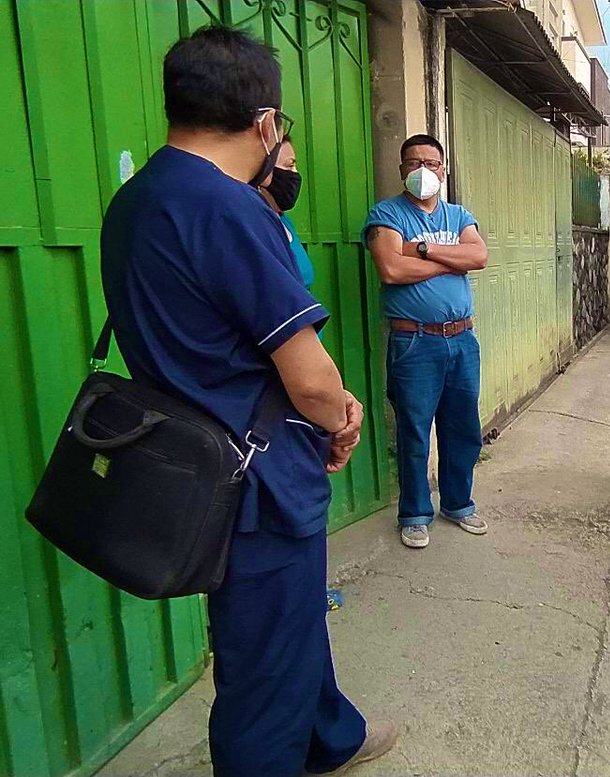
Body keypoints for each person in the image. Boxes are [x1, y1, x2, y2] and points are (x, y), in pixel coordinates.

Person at [99, 26, 395, 776]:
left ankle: (330, 736)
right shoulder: (229, 208)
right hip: (255, 477)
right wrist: (343, 419)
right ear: (266, 123)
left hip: (196, 459)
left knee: (289, 624)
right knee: (263, 664)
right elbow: (311, 378)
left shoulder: (136, 201)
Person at [363, 134, 489, 549]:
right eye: (414, 162)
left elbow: (478, 257)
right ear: (402, 169)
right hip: (414, 342)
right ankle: (415, 514)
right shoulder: (386, 214)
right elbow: (391, 269)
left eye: (431, 163)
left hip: (462, 339)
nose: (423, 170)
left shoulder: (459, 214)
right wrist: (448, 261)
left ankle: (458, 504)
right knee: (415, 432)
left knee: (463, 428)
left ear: (443, 169)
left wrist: (419, 250)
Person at [259, 134, 315, 292]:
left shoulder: (284, 221)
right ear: (266, 172)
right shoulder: (256, 225)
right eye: (289, 166)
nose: (295, 174)